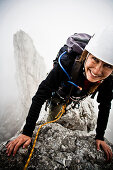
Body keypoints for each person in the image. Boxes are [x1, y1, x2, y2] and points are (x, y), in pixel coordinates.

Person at [6, 27, 113, 162]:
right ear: (86, 54)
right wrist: (27, 132)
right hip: (58, 92)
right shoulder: (67, 63)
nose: (98, 70)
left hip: (76, 93)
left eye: (108, 65)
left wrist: (99, 137)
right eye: (95, 59)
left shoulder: (108, 79)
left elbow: (105, 105)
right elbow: (41, 95)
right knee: (52, 117)